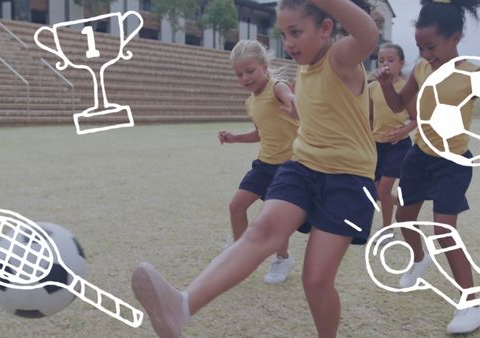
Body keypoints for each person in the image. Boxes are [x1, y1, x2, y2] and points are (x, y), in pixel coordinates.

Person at [131, 0, 379, 337]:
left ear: (325, 29)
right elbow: (325, 114)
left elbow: (367, 35)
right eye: (283, 34)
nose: (288, 43)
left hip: (348, 179)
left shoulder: (340, 59)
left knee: (316, 281)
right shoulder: (302, 72)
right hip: (302, 166)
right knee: (260, 231)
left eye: (296, 32)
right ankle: (182, 305)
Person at [374, 0, 480, 334]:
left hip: (453, 162)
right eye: (420, 47)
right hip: (418, 157)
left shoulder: (475, 76)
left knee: (444, 229)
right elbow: (400, 105)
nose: (425, 53)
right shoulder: (420, 69)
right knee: (404, 218)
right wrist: (387, 84)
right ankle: (419, 259)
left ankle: (471, 304)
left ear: (455, 37)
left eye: (431, 46)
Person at [217, 39, 299, 285]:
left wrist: (294, 105)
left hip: (289, 167)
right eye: (239, 74)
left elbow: (290, 98)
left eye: (250, 71)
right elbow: (260, 133)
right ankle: (240, 251)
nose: (245, 78)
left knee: (275, 219)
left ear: (264, 66)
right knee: (236, 206)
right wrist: (235, 138)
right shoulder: (250, 102)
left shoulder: (277, 87)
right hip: (265, 164)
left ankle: (283, 259)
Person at [368, 43, 416, 241]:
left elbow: (415, 119)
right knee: (378, 192)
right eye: (381, 60)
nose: (385, 64)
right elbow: (369, 118)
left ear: (401, 63)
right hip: (376, 145)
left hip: (398, 146)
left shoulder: (406, 88)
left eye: (391, 60)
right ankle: (401, 204)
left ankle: (387, 230)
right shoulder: (372, 87)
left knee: (383, 189)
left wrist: (403, 131)